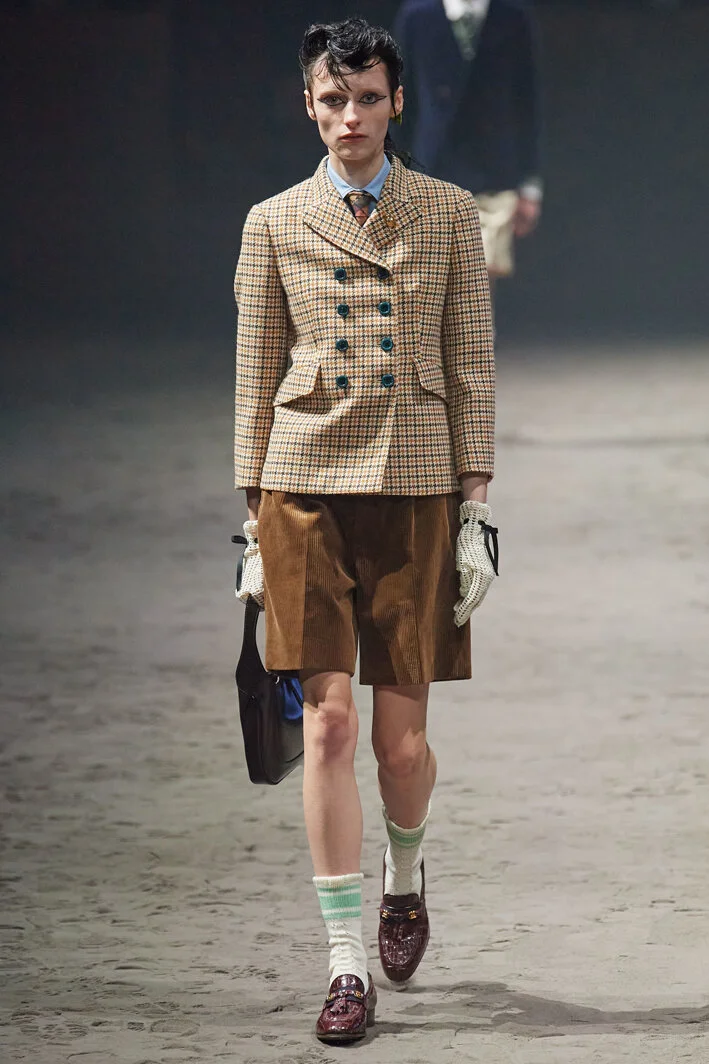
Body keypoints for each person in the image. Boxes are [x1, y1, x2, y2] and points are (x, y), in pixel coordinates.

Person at [233, 17, 498, 1044]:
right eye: (333, 100)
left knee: (402, 743)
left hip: (416, 483)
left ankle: (405, 872)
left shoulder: (446, 212)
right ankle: (345, 961)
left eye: (368, 99)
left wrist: (475, 507)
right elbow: (256, 368)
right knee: (330, 726)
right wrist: (251, 520)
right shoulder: (273, 221)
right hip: (302, 484)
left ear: (396, 104)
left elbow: (470, 359)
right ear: (308, 104)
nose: (351, 117)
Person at [394, 0, 542, 285]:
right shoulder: (417, 16)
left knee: (481, 281)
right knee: (432, 280)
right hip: (430, 174)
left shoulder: (513, 17)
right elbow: (400, 103)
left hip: (495, 176)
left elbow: (527, 104)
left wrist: (530, 184)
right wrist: (394, 175)